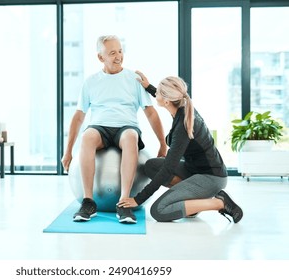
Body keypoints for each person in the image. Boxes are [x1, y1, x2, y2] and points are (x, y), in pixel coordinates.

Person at [61, 35, 168, 224]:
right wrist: (68, 151)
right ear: (100, 57)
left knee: (130, 136)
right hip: (99, 127)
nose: (118, 56)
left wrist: (162, 143)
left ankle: (124, 203)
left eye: (120, 51)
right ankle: (88, 202)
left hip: (125, 126)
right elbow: (79, 117)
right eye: (112, 53)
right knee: (87, 136)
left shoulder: (134, 80)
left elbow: (150, 113)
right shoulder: (91, 82)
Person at [117, 73, 243, 223]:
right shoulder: (182, 106)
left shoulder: (183, 126)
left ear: (167, 101)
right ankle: (192, 202)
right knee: (151, 165)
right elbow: (165, 96)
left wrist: (138, 199)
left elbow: (168, 169)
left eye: (158, 92)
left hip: (211, 178)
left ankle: (220, 202)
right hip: (194, 170)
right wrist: (148, 87)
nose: (155, 93)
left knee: (159, 211)